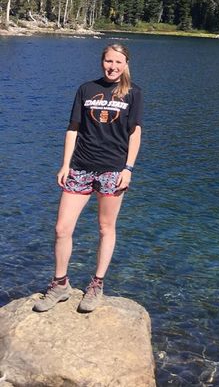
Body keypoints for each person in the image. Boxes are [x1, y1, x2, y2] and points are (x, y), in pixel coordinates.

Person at [34, 43, 143, 313]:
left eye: (118, 62)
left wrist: (128, 169)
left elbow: (134, 133)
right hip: (80, 167)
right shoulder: (86, 89)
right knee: (62, 228)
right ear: (102, 61)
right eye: (108, 61)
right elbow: (73, 128)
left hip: (113, 170)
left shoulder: (133, 93)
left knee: (106, 228)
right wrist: (65, 165)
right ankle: (60, 284)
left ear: (126, 64)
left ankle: (97, 284)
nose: (112, 67)